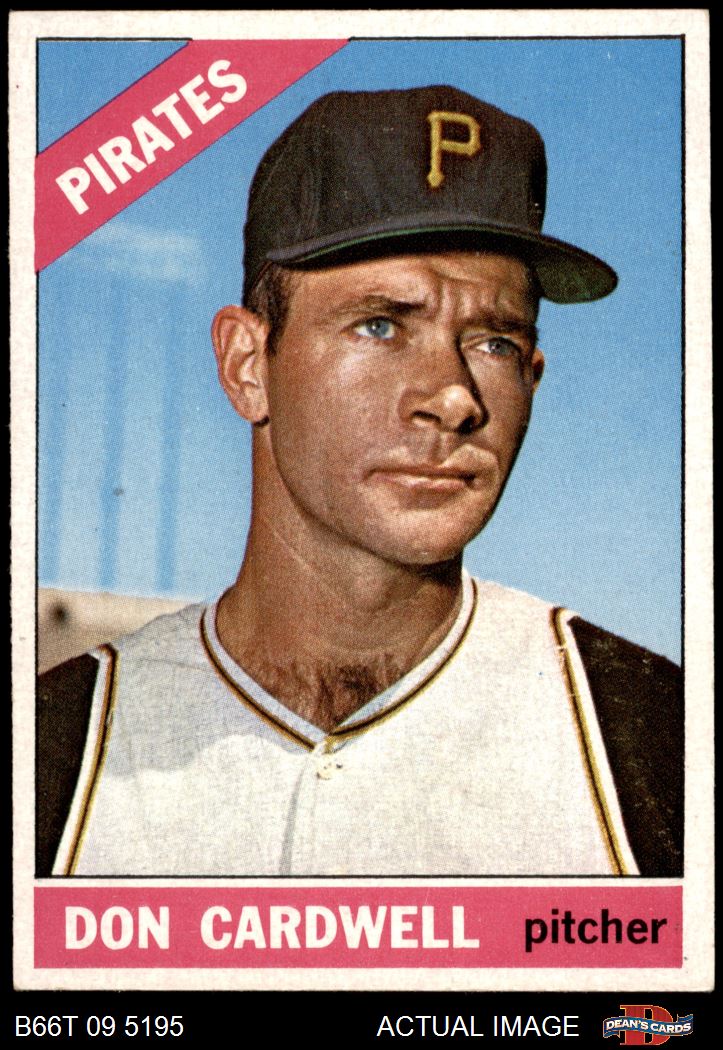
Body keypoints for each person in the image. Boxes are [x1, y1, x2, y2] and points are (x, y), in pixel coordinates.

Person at [37, 85, 682, 879]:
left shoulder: (655, 742)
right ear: (247, 365)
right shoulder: (53, 752)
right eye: (379, 326)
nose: (453, 397)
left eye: (493, 342)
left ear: (533, 376)